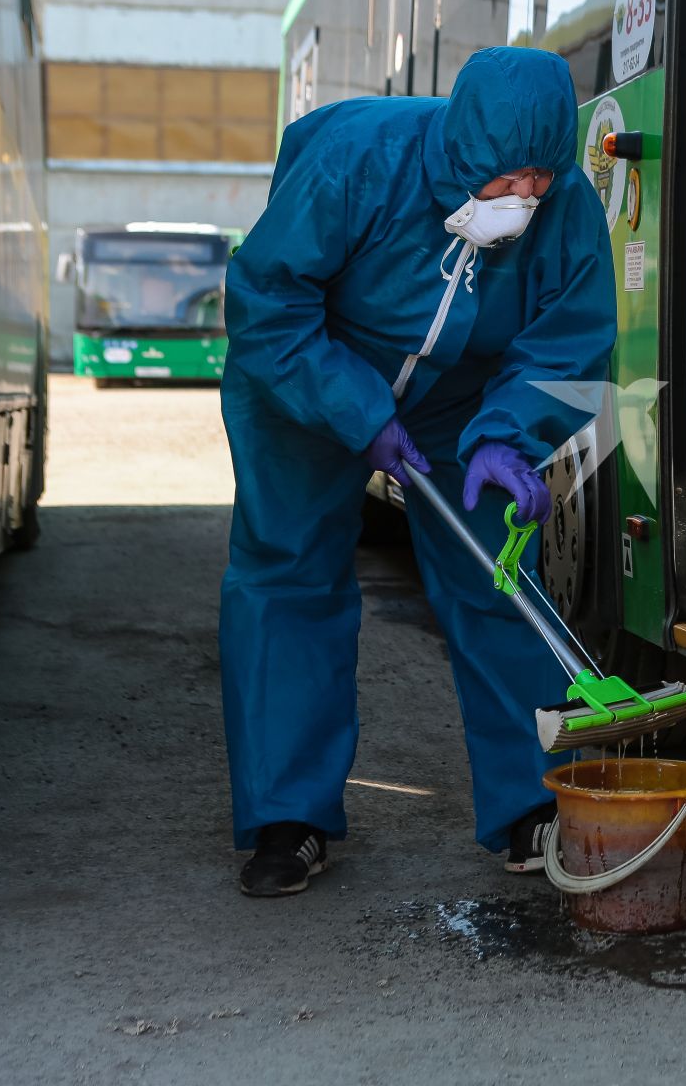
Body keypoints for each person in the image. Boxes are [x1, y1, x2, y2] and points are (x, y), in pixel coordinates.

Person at [218, 46, 614, 897]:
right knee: (289, 575)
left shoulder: (565, 205)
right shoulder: (358, 160)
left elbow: (569, 340)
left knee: (499, 576)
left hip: (454, 395)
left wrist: (508, 436)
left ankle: (531, 806)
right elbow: (266, 303)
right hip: (306, 370)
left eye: (539, 179)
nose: (525, 199)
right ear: (461, 151)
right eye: (505, 182)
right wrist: (358, 414)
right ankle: (289, 816)